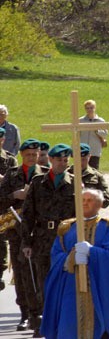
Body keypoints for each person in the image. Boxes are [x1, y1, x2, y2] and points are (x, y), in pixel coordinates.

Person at [40, 188, 109, 339]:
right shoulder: (67, 228)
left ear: (99, 205)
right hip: (70, 288)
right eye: (82, 200)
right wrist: (69, 259)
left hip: (97, 290)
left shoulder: (107, 228)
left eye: (89, 200)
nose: (85, 203)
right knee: (68, 326)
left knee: (97, 327)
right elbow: (55, 254)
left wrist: (92, 252)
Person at [20, 144, 76, 337]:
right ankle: (45, 322)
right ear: (50, 160)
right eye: (59, 159)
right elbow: (28, 215)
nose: (63, 163)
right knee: (44, 283)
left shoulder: (75, 183)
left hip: (66, 241)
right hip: (43, 239)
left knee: (66, 281)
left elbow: (81, 216)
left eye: (66, 160)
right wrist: (26, 243)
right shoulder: (38, 183)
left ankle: (64, 322)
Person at [0, 139, 45, 331]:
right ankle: (25, 313)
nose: (32, 158)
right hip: (17, 231)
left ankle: (42, 312)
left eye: (35, 155)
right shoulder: (12, 175)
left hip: (40, 232)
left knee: (40, 271)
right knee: (21, 272)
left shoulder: (45, 174)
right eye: (28, 155)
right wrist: (14, 196)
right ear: (21, 155)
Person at [69, 143, 109, 208]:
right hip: (69, 216)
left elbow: (106, 201)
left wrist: (90, 197)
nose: (81, 162)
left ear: (89, 156)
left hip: (89, 215)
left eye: (84, 159)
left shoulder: (96, 176)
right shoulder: (66, 174)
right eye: (77, 159)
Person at [79, 100, 109, 170]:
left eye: (91, 107)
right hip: (83, 150)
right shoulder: (80, 121)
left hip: (95, 150)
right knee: (82, 170)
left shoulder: (100, 121)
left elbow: (105, 134)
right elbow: (76, 134)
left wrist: (97, 130)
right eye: (87, 108)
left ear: (95, 108)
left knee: (94, 170)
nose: (89, 110)